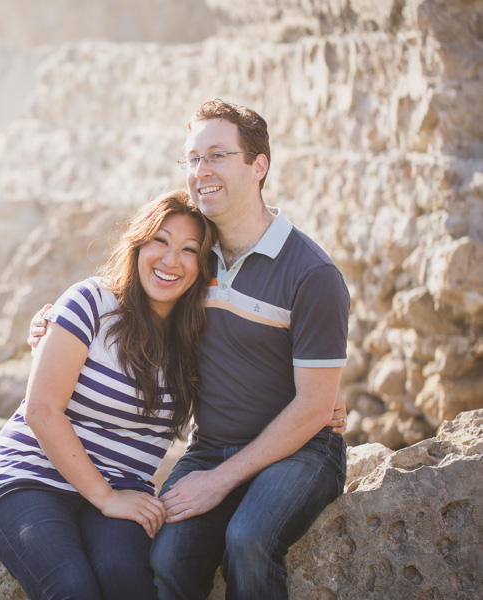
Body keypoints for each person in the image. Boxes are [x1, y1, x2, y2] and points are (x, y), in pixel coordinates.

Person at [29, 99, 350, 599]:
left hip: (302, 452)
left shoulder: (313, 276)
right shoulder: (195, 260)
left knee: (248, 540)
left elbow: (313, 406)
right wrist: (52, 325)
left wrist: (220, 480)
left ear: (258, 166)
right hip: (210, 448)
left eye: (218, 155)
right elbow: (129, 295)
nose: (201, 171)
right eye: (193, 158)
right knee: (166, 557)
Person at [0, 191, 218, 600]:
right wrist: (104, 497)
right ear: (139, 243)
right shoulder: (91, 301)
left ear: (204, 266)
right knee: (73, 590)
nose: (170, 260)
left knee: (132, 583)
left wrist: (321, 403)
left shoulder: (201, 337)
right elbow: (41, 409)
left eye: (189, 250)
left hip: (126, 487)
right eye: (160, 240)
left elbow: (258, 378)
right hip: (32, 478)